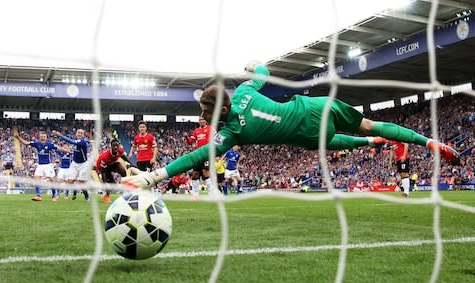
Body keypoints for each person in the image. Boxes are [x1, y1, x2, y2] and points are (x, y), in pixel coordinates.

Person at [122, 62, 460, 189]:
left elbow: (194, 159)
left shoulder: (228, 134)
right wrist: (255, 66)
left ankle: (367, 145)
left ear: (217, 113)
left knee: (330, 142)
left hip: (308, 135)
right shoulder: (242, 91)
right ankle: (425, 141)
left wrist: (154, 175)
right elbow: (264, 74)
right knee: (370, 124)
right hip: (314, 106)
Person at [14, 131, 61, 201]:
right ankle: (38, 195)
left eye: (44, 137)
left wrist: (67, 151)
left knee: (52, 180)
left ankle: (55, 195)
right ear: (39, 137)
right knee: (36, 179)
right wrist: (18, 138)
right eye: (42, 137)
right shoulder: (36, 143)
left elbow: (59, 149)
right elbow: (26, 143)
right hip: (40, 165)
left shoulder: (50, 144)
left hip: (48, 165)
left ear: (46, 138)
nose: (43, 138)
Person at [53, 129, 91, 201]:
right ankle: (65, 194)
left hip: (83, 164)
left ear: (83, 135)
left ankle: (86, 196)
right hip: (74, 163)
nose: (79, 134)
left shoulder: (83, 142)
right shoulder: (76, 141)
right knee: (70, 181)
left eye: (81, 133)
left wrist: (60, 135)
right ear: (76, 134)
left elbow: (71, 141)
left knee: (81, 182)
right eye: (78, 133)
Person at [96, 139, 135, 203]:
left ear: (119, 146)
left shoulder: (120, 150)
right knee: (112, 183)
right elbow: (103, 172)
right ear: (111, 147)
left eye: (117, 146)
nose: (116, 147)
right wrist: (105, 184)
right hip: (102, 168)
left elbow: (123, 157)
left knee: (122, 170)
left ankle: (125, 192)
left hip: (111, 164)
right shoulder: (105, 157)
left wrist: (131, 164)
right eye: (114, 146)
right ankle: (106, 195)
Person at [182, 116, 213, 196]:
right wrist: (186, 137)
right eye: (200, 120)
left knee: (205, 172)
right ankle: (196, 194)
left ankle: (210, 193)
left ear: (206, 121)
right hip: (198, 154)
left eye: (203, 119)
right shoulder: (196, 131)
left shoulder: (210, 128)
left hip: (206, 154)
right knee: (195, 173)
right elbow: (190, 142)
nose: (201, 121)